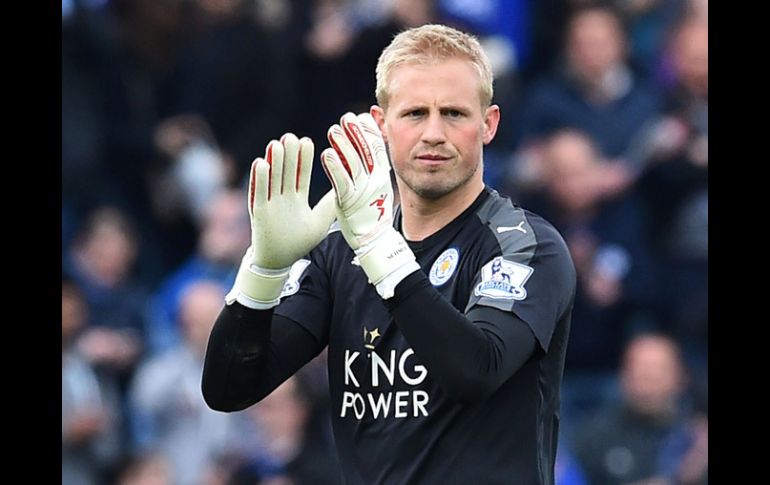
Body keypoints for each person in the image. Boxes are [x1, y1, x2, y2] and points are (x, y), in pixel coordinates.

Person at [202, 24, 576, 484]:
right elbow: (228, 389)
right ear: (381, 124)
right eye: (415, 113)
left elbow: (475, 370)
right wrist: (263, 271)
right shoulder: (339, 253)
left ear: (489, 123)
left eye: (454, 113)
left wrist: (379, 247)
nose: (434, 133)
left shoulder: (526, 245)